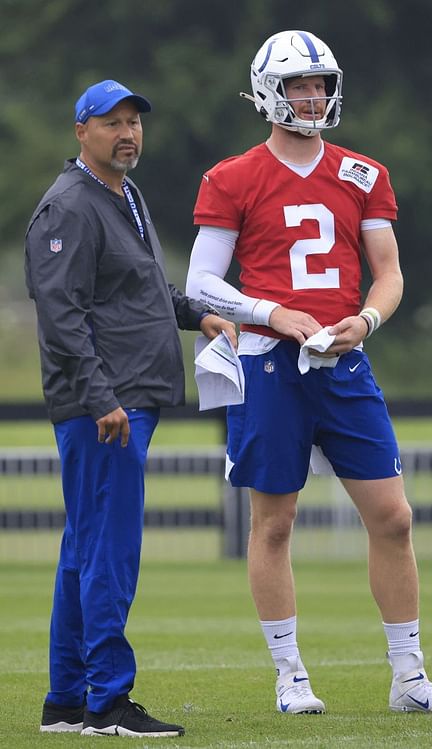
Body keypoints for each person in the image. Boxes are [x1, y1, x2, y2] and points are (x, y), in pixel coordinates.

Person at [186, 31, 432, 716]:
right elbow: (199, 282)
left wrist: (366, 322)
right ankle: (290, 675)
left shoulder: (363, 172)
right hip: (268, 365)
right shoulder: (231, 177)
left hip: (342, 363)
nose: (312, 96)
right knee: (274, 523)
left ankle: (409, 678)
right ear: (268, 92)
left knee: (395, 517)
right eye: (298, 85)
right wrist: (270, 312)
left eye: (320, 84)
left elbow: (390, 274)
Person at [25, 79, 236, 738]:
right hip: (106, 406)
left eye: (134, 122)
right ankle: (108, 702)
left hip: (127, 396)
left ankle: (64, 701)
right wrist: (100, 397)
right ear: (80, 130)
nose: (128, 133)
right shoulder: (69, 207)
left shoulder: (127, 195)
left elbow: (144, 290)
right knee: (110, 553)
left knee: (84, 550)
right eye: (112, 122)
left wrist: (197, 315)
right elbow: (62, 317)